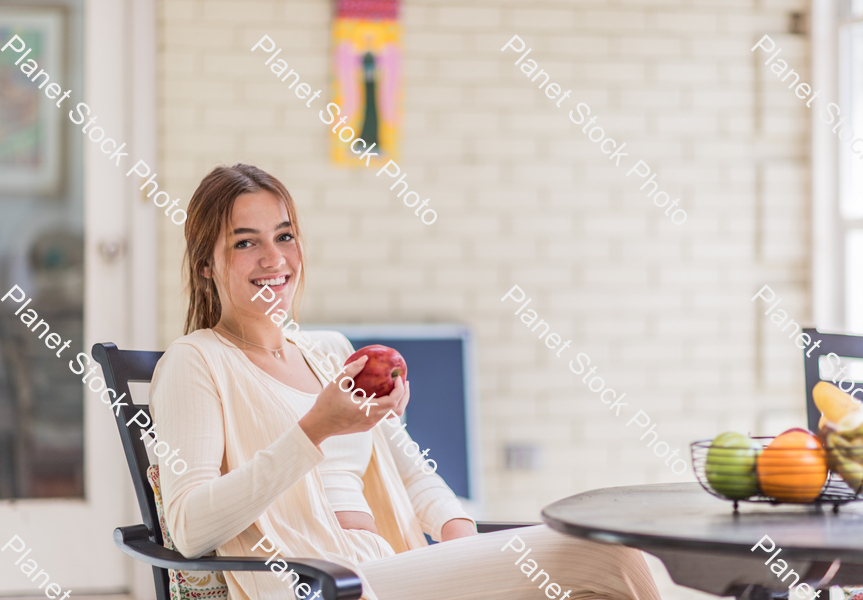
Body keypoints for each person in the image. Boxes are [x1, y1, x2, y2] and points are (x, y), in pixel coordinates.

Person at [149, 164, 662, 600]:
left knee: (598, 575)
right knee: (602, 554)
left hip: (387, 568)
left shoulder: (332, 353)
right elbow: (191, 529)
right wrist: (314, 430)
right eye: (245, 242)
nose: (274, 258)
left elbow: (414, 476)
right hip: (318, 584)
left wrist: (467, 543)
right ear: (205, 266)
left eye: (284, 235)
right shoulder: (196, 361)